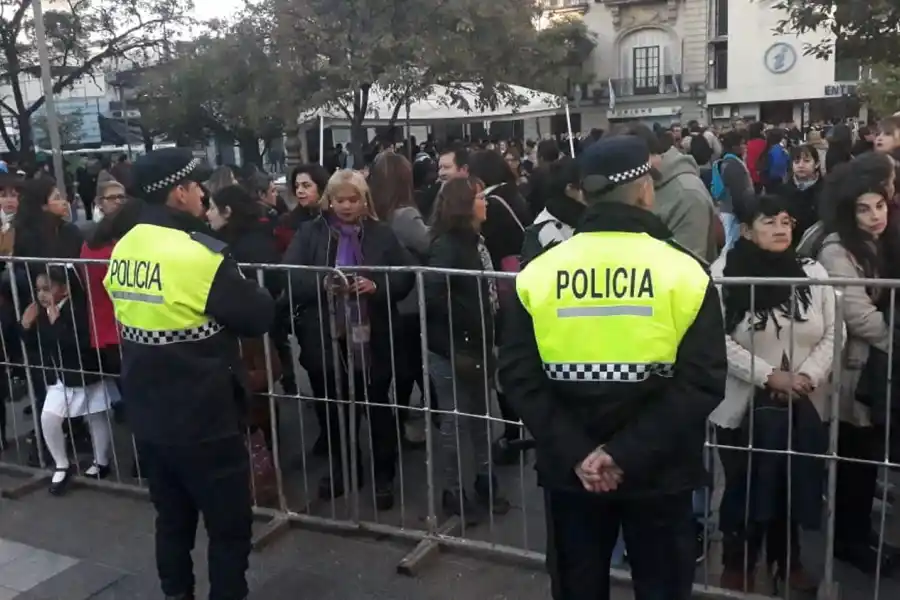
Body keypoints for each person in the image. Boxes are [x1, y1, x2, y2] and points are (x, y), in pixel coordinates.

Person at [498, 135, 727, 600]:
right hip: (659, 471)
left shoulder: (538, 274)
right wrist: (622, 454)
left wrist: (581, 454)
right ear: (644, 190)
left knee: (577, 586)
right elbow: (701, 382)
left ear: (583, 194)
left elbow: (519, 378)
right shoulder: (684, 272)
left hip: (570, 473)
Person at [103, 148, 276, 600]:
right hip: (205, 415)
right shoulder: (198, 254)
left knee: (172, 523)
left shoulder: (127, 245)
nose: (202, 193)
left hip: (148, 412)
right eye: (196, 186)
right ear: (178, 192)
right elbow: (257, 315)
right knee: (229, 528)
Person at [710, 194, 832, 593]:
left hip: (802, 402)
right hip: (742, 406)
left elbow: (835, 331)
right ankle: (738, 558)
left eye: (786, 221)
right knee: (744, 485)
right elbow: (717, 340)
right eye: (769, 222)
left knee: (790, 485)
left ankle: (787, 557)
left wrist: (806, 377)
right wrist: (768, 377)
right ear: (745, 230)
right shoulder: (724, 273)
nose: (781, 229)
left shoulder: (813, 274)